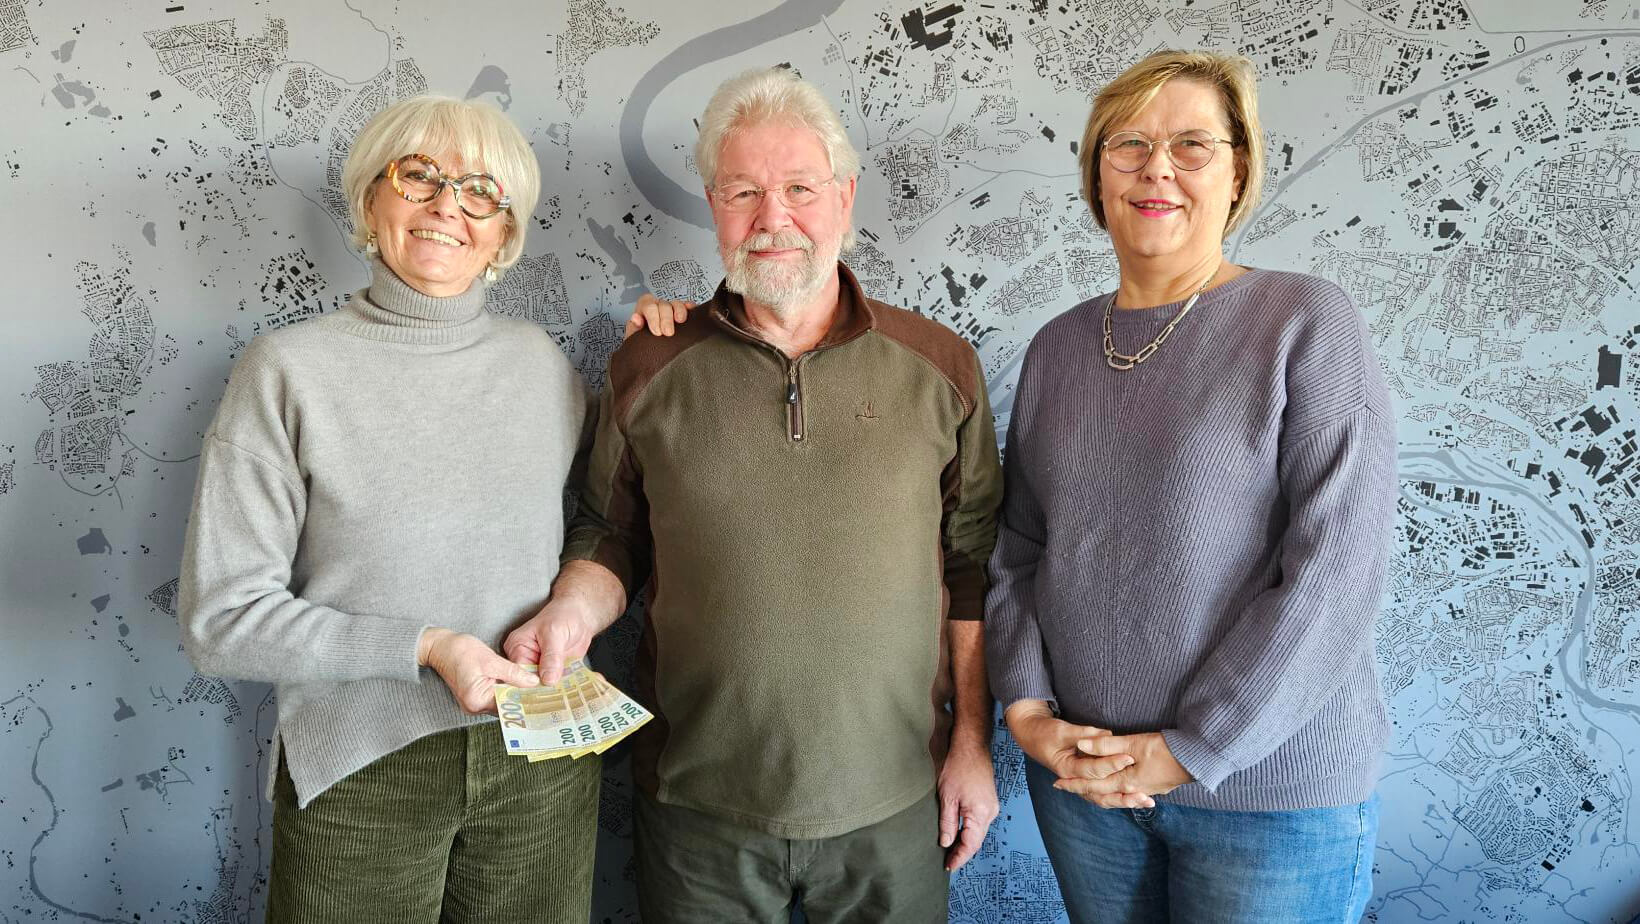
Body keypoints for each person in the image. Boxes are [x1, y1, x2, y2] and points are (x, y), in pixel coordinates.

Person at [505, 67, 1004, 923]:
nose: (773, 218)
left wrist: (971, 743)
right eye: (743, 192)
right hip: (696, 810)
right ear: (714, 205)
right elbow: (609, 535)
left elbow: (972, 571)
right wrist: (571, 613)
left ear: (844, 197)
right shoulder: (649, 365)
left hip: (894, 802)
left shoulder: (941, 366)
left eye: (800, 188)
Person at [177, 94, 677, 922]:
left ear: (504, 233)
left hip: (543, 762)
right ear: (372, 199)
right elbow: (220, 620)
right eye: (420, 177)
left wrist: (663, 350)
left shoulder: (542, 367)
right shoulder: (286, 373)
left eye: (481, 191)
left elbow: (611, 519)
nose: (449, 205)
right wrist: (427, 647)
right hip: (360, 769)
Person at [984, 50, 1398, 923]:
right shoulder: (1057, 348)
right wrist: (1027, 712)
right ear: (1097, 174)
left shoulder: (1306, 321)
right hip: (1088, 792)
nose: (1157, 168)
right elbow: (1018, 550)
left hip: (1270, 802)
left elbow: (1335, 572)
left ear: (1238, 171)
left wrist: (1191, 748)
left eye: (1192, 145)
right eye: (1128, 144)